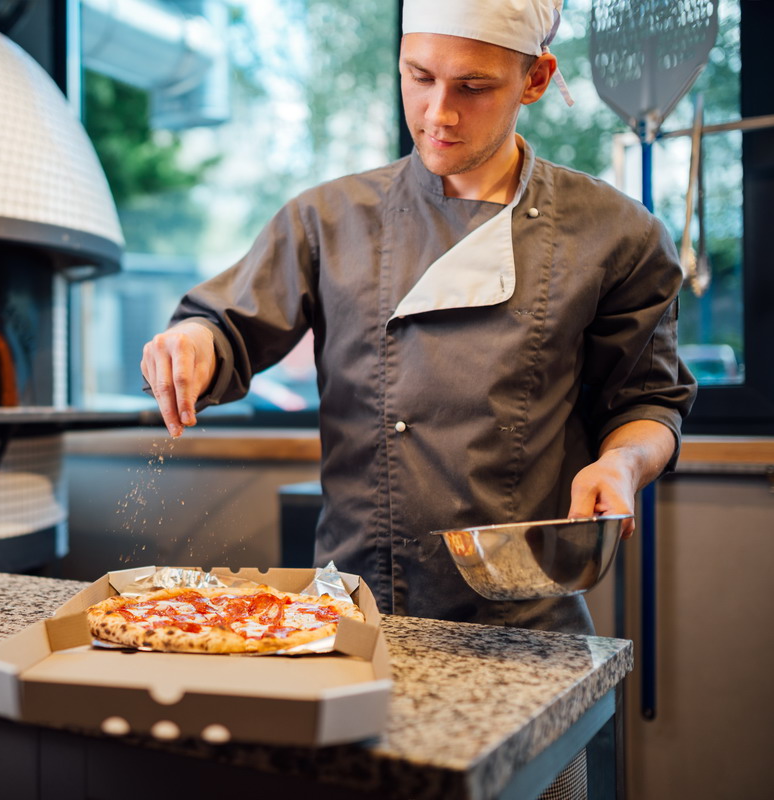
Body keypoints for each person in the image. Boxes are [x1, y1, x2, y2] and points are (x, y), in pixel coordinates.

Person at [140, 0, 696, 636]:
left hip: (525, 622)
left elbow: (648, 402)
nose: (438, 114)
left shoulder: (618, 234)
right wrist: (192, 342)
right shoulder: (326, 219)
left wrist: (622, 463)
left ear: (535, 80)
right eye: (419, 76)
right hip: (348, 616)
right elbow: (225, 327)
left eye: (474, 86)